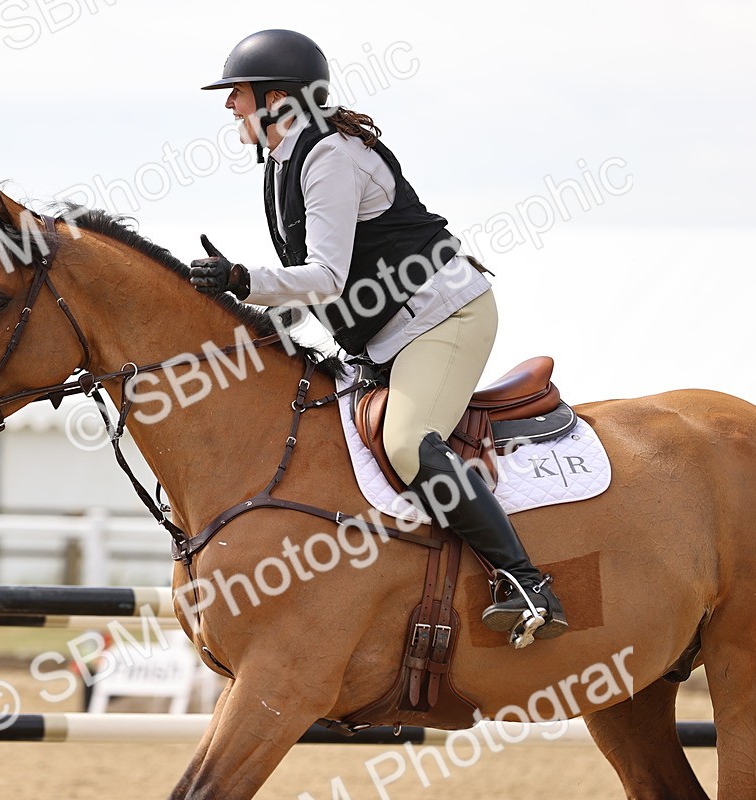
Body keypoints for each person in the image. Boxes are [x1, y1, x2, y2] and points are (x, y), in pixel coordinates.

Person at [188, 29, 567, 646]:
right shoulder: (283, 159)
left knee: (408, 443)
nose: (229, 105)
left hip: (444, 317)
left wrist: (241, 279)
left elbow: (328, 277)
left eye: (238, 93)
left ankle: (526, 585)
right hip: (387, 337)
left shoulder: (328, 156)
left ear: (277, 97)